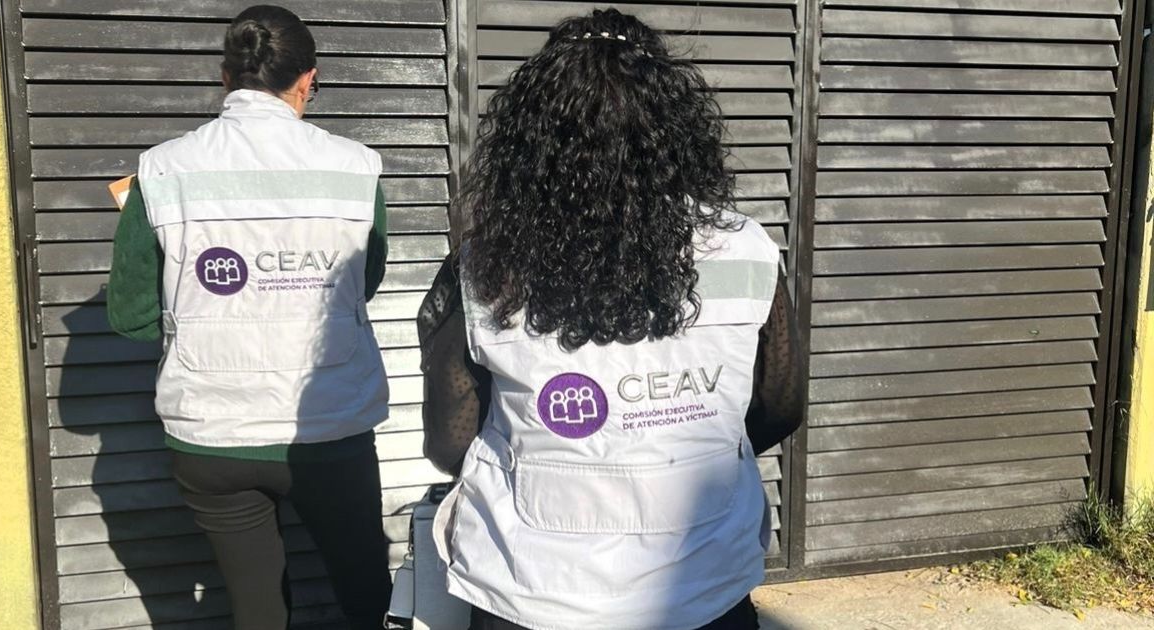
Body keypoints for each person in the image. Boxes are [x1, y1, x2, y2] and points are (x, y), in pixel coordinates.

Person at [417, 8, 805, 630]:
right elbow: (779, 406)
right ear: (674, 128)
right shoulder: (749, 249)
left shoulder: (485, 264)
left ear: (531, 137)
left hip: (531, 590)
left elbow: (449, 440)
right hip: (703, 587)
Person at [106, 5, 392, 628]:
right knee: (367, 592)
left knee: (256, 610)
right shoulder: (356, 165)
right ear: (308, 79)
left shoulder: (161, 168)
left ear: (224, 77)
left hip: (211, 432)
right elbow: (363, 283)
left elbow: (131, 315)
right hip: (330, 425)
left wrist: (204, 313)